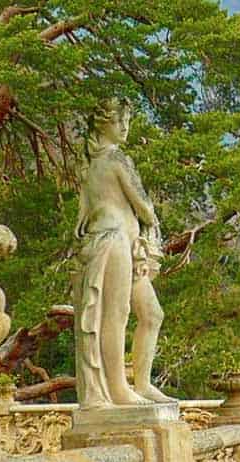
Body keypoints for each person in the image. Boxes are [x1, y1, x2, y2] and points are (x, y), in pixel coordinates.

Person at [72, 98, 174, 408]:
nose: (126, 127)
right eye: (120, 121)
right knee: (115, 316)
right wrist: (150, 222)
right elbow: (144, 206)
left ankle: (141, 384)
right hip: (113, 241)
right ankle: (118, 389)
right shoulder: (115, 160)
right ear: (104, 124)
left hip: (121, 244)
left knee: (151, 313)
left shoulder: (90, 165)